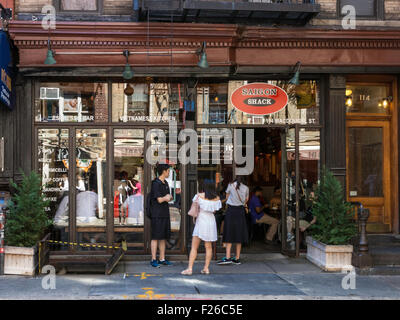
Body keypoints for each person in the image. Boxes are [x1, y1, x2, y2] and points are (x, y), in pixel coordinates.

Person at [181, 183, 221, 275]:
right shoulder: (217, 198)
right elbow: (214, 211)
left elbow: (195, 208)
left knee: (194, 247)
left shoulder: (198, 196)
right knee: (209, 247)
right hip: (211, 221)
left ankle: (190, 269)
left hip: (201, 220)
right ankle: (206, 268)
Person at [218, 176, 249, 265]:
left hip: (231, 211)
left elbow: (227, 197)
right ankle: (237, 258)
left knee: (229, 232)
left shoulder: (231, 185)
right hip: (240, 211)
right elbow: (246, 200)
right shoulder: (246, 188)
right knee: (239, 233)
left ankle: (228, 257)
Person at [149, 163, 173, 268]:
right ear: (164, 171)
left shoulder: (166, 182)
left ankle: (162, 258)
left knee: (163, 237)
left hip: (164, 212)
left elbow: (167, 198)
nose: (169, 173)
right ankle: (153, 259)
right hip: (156, 214)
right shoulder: (155, 183)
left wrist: (169, 197)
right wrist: (166, 198)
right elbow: (159, 199)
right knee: (155, 237)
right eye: (168, 171)